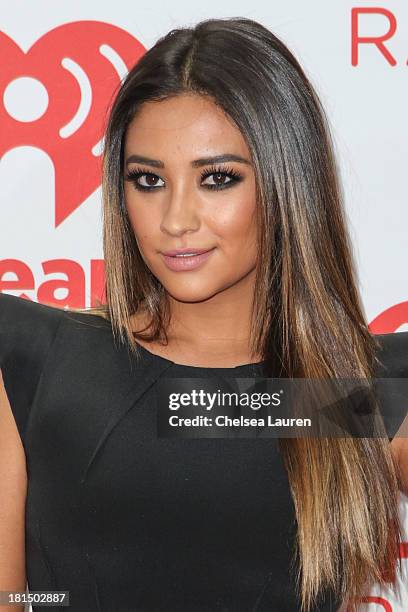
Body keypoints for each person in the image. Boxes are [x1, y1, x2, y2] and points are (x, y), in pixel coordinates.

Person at [0, 15, 407, 612]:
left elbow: (219, 411)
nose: (175, 220)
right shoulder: (37, 360)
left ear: (286, 182)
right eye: (147, 180)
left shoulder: (345, 395)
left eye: (217, 178)